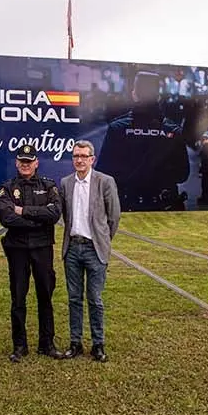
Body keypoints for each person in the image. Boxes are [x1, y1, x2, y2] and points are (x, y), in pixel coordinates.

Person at [0, 144, 64, 363]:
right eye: (22, 161)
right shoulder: (7, 188)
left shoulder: (48, 186)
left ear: (36, 163)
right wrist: (37, 219)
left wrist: (24, 211)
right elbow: (7, 218)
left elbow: (54, 213)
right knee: (18, 298)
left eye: (29, 161)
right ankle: (19, 346)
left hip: (42, 249)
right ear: (17, 163)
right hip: (17, 250)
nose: (25, 165)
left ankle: (47, 343)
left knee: (45, 295)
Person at [59, 140, 121, 362]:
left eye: (84, 156)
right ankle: (75, 343)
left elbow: (113, 217)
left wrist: (102, 240)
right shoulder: (66, 183)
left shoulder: (105, 182)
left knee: (95, 298)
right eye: (76, 156)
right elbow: (65, 215)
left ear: (92, 159)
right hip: (73, 249)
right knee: (74, 298)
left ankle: (98, 344)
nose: (79, 160)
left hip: (95, 249)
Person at [96, 70, 190, 211]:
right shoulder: (173, 130)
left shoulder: (117, 128)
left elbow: (103, 171)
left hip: (126, 204)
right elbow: (182, 174)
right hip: (163, 204)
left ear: (135, 94)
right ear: (158, 96)